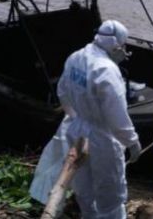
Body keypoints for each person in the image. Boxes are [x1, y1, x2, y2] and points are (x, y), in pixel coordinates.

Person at [56, 20, 142, 219]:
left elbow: (62, 93)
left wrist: (77, 117)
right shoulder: (107, 71)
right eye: (124, 47)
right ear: (116, 46)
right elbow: (117, 117)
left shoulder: (76, 57)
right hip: (103, 139)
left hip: (77, 131)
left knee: (84, 190)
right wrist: (132, 142)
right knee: (112, 196)